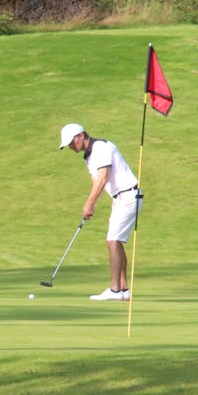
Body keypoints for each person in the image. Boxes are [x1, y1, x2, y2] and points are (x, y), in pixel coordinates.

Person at [58, 123, 142, 301]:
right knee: (115, 242)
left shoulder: (101, 147)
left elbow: (103, 177)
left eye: (71, 142)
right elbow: (96, 181)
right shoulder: (88, 157)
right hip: (120, 198)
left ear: (80, 135)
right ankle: (124, 289)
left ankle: (114, 290)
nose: (71, 147)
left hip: (128, 195)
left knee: (112, 242)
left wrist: (89, 203)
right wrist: (92, 204)